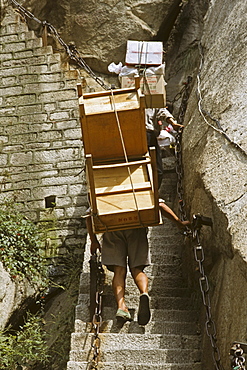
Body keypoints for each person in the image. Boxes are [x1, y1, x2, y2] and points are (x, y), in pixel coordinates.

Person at [86, 201, 190, 326]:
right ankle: (144, 293)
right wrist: (179, 223)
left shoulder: (102, 189)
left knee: (119, 271)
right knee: (137, 270)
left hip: (112, 228)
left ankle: (121, 307)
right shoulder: (136, 184)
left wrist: (93, 240)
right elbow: (161, 206)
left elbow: (88, 215)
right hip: (136, 226)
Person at [145, 107, 183, 188]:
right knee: (156, 171)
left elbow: (162, 111)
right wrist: (173, 123)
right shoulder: (149, 101)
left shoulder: (150, 101)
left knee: (157, 172)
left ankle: (154, 195)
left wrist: (173, 123)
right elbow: (161, 111)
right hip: (147, 135)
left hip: (149, 136)